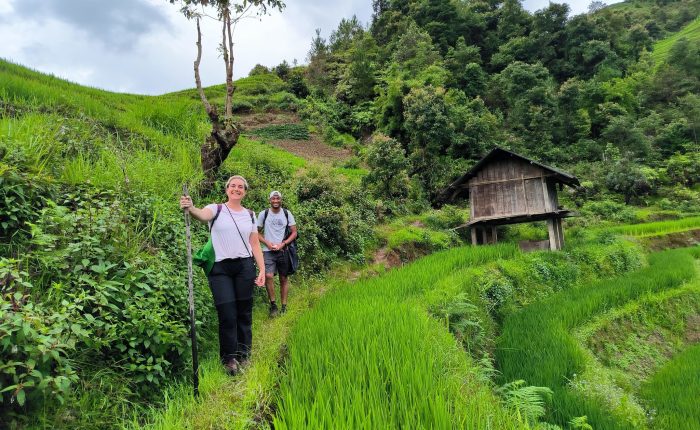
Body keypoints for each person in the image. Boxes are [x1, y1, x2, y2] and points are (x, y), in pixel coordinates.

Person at [179, 175, 265, 375]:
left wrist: (262, 269)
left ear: (245, 191)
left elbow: (254, 244)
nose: (236, 189)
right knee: (227, 314)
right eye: (233, 186)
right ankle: (229, 358)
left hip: (244, 267)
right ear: (227, 189)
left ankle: (244, 354)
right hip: (220, 270)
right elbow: (201, 215)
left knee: (244, 313)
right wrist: (190, 207)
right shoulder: (216, 209)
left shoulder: (250, 215)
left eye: (240, 186)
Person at [257, 190, 297, 317]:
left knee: (283, 278)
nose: (275, 201)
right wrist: (267, 243)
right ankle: (273, 305)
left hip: (283, 250)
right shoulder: (264, 214)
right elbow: (256, 232)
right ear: (269, 200)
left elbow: (294, 232)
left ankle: (284, 306)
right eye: (273, 199)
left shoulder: (286, 213)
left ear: (281, 200)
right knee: (268, 276)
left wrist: (283, 244)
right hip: (268, 251)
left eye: (278, 199)